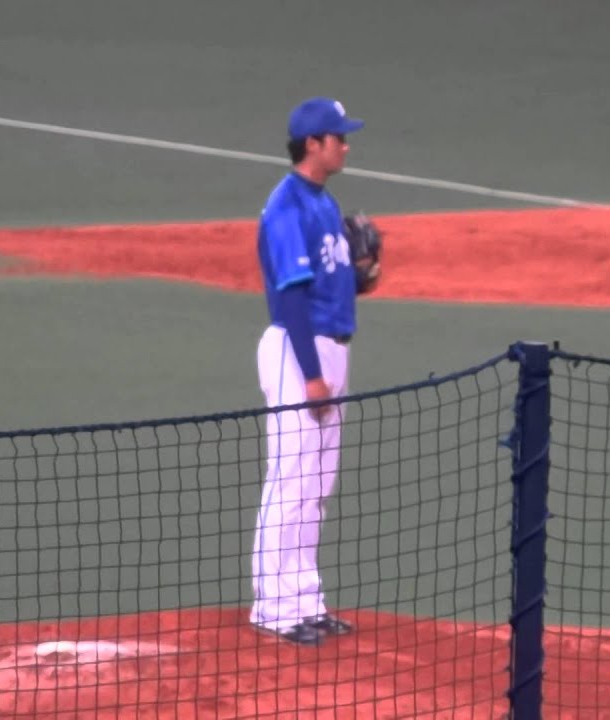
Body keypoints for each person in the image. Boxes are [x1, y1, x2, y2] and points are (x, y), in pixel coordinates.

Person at [251, 96, 375, 645]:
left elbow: (331, 286)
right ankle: (273, 607)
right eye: (338, 138)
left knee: (316, 483)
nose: (345, 145)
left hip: (332, 350)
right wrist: (311, 375)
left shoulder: (325, 203)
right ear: (313, 144)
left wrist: (360, 276)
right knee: (290, 480)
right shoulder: (287, 207)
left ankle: (305, 598)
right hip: (297, 352)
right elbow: (292, 298)